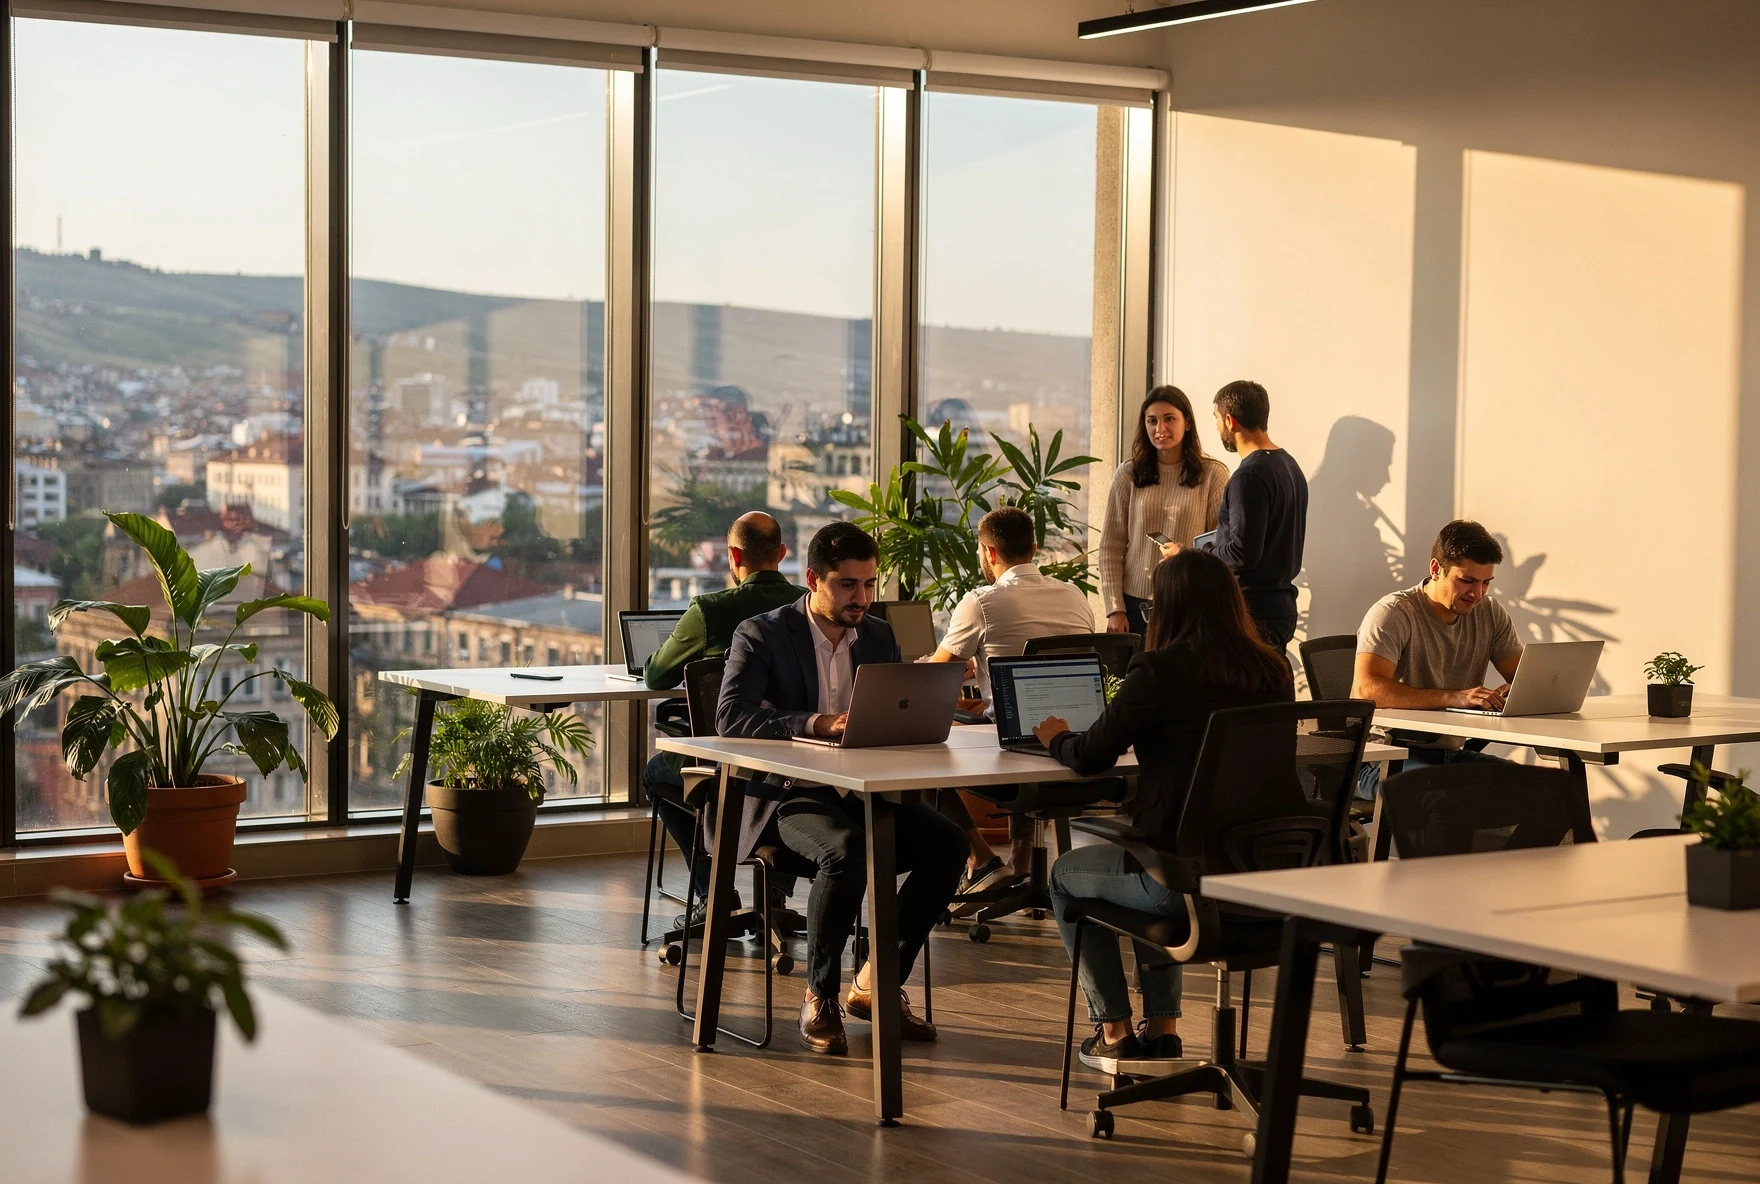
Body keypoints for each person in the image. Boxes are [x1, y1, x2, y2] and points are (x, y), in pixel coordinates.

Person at [1033, 550, 1295, 1071]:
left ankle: (1114, 1032)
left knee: (1066, 876)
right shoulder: (1273, 667)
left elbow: (1090, 757)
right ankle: (1165, 1029)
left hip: (1185, 885)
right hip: (1263, 877)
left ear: (1166, 606)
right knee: (1160, 853)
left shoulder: (1159, 669)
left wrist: (1055, 736)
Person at [718, 522, 968, 1056]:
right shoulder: (761, 633)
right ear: (813, 579)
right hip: (791, 795)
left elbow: (893, 707)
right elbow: (730, 715)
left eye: (870, 584)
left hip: (860, 791)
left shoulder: (877, 634)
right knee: (848, 852)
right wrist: (815, 723)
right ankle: (820, 993)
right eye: (848, 585)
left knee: (950, 844)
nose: (862, 598)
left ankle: (876, 980)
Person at [640, 511, 805, 924]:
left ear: (733, 555)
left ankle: (713, 894)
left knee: (655, 773)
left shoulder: (710, 610)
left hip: (725, 764)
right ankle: (776, 896)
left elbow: (656, 674)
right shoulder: (807, 606)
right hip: (795, 762)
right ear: (782, 553)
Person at [925, 506, 1096, 896]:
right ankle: (1021, 856)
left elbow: (933, 678)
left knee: (922, 743)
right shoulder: (1075, 596)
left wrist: (955, 669)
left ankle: (980, 859)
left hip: (1014, 755)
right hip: (1077, 749)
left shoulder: (982, 601)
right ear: (1034, 548)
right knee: (1018, 719)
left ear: (988, 553)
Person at [1351, 520, 1523, 789]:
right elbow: (1367, 690)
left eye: (1486, 583)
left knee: (1540, 790)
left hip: (1447, 756)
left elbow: (1523, 679)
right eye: (1467, 581)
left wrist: (1514, 692)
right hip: (1381, 758)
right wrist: (1456, 697)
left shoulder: (1489, 612)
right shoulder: (1394, 613)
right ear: (1436, 569)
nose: (1477, 593)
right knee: (1440, 795)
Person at [1186, 379, 1307, 652]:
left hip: (1250, 614)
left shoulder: (1249, 476)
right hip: (1279, 608)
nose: (1217, 427)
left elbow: (1243, 553)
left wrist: (1194, 555)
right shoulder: (1289, 465)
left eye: (1217, 419)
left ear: (1230, 421)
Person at [1100, 386, 1229, 638]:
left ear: (1187, 422)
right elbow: (1110, 547)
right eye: (1152, 421)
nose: (1160, 429)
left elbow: (1220, 546)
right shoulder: (1128, 474)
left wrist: (1186, 555)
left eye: (1169, 418)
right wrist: (1114, 608)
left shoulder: (1213, 474)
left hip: (1190, 601)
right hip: (1134, 606)